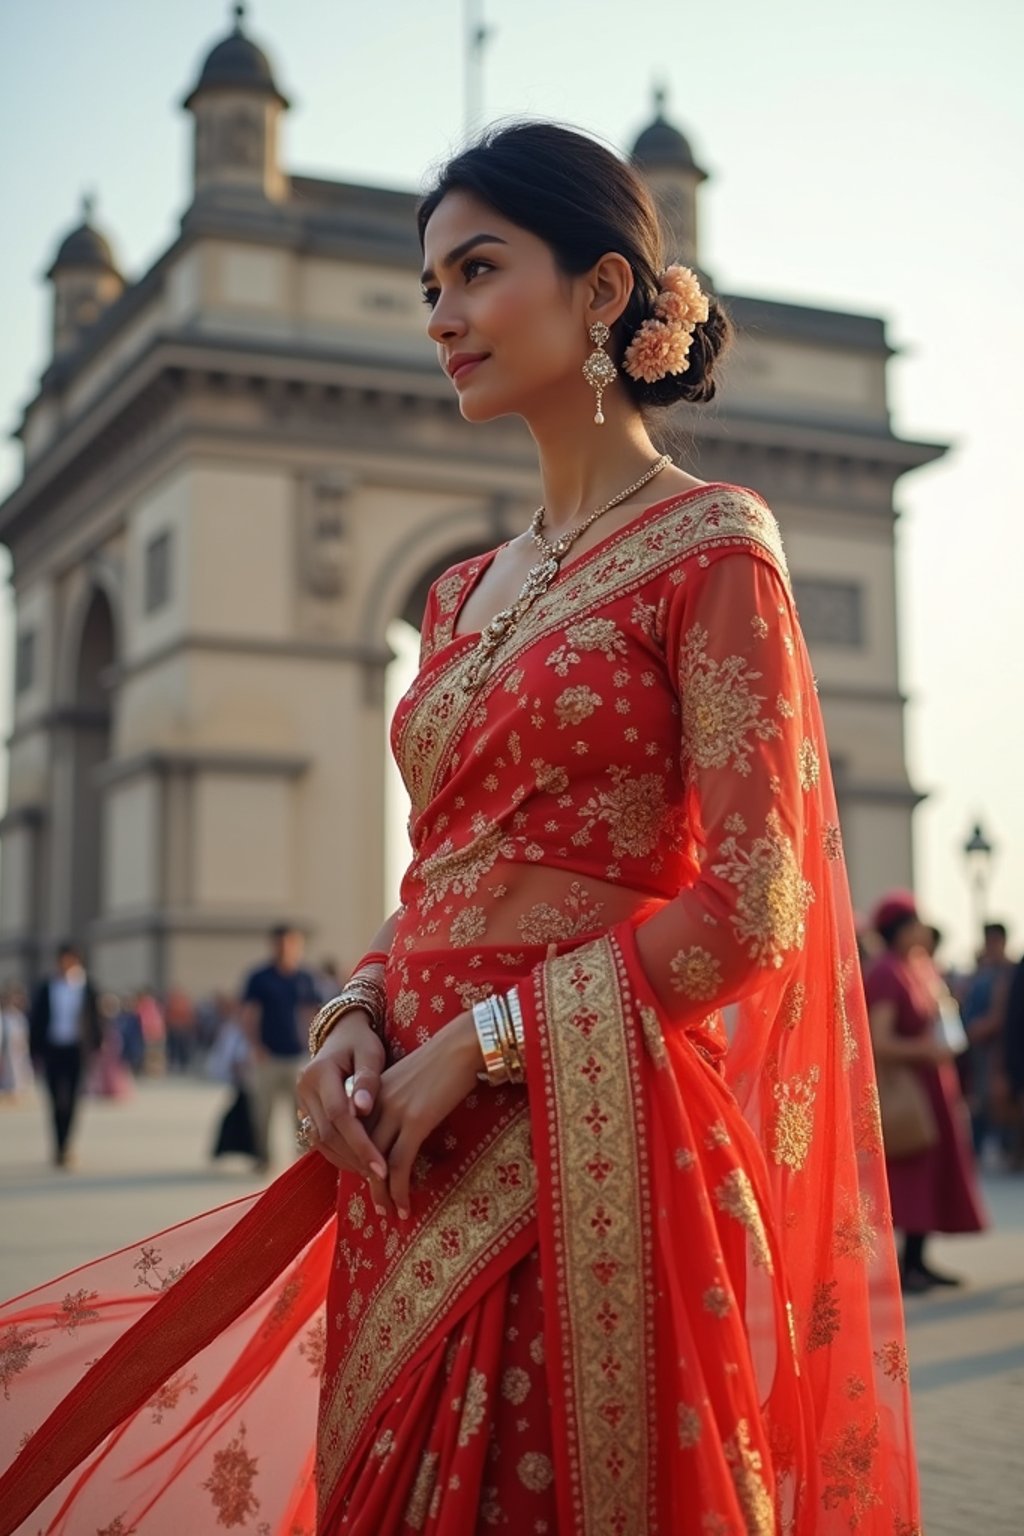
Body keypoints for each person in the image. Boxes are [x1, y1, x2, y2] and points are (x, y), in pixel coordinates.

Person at [0, 123, 919, 1534]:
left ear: (605, 291)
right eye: (429, 283)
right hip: (405, 1151)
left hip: (591, 1156)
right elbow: (447, 867)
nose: (439, 317)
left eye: (476, 272)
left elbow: (755, 908)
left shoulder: (716, 548)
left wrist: (483, 1051)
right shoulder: (462, 596)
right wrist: (354, 1016)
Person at [864, 891, 986, 1293]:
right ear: (902, 928)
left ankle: (917, 1259)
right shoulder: (886, 972)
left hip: (930, 1085)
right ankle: (909, 1263)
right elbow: (878, 1040)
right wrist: (927, 1051)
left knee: (932, 1171)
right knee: (914, 1173)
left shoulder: (914, 967)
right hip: (910, 1089)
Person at [240, 923, 319, 1171]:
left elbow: (314, 1013)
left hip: (299, 1056)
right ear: (273, 945)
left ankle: (303, 1161)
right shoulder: (260, 978)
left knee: (302, 1113)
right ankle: (263, 1157)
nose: (286, 948)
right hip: (269, 1055)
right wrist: (255, 1046)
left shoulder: (306, 978)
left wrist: (316, 1047)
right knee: (262, 1111)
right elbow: (249, 1014)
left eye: (291, 943)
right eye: (281, 943)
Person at [27, 940, 102, 1168]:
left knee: (71, 1101)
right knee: (55, 1101)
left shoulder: (87, 987)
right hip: (52, 1050)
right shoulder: (46, 986)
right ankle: (58, 1145)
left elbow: (95, 1019)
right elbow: (36, 1020)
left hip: (77, 1051)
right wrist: (34, 1051)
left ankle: (67, 1144)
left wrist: (96, 1046)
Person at [960, 921, 1015, 1159]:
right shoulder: (982, 973)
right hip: (977, 1048)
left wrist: (981, 1029)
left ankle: (1009, 1148)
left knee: (998, 1097)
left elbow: (1003, 1014)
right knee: (979, 1098)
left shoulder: (1009, 973)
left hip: (998, 1047)